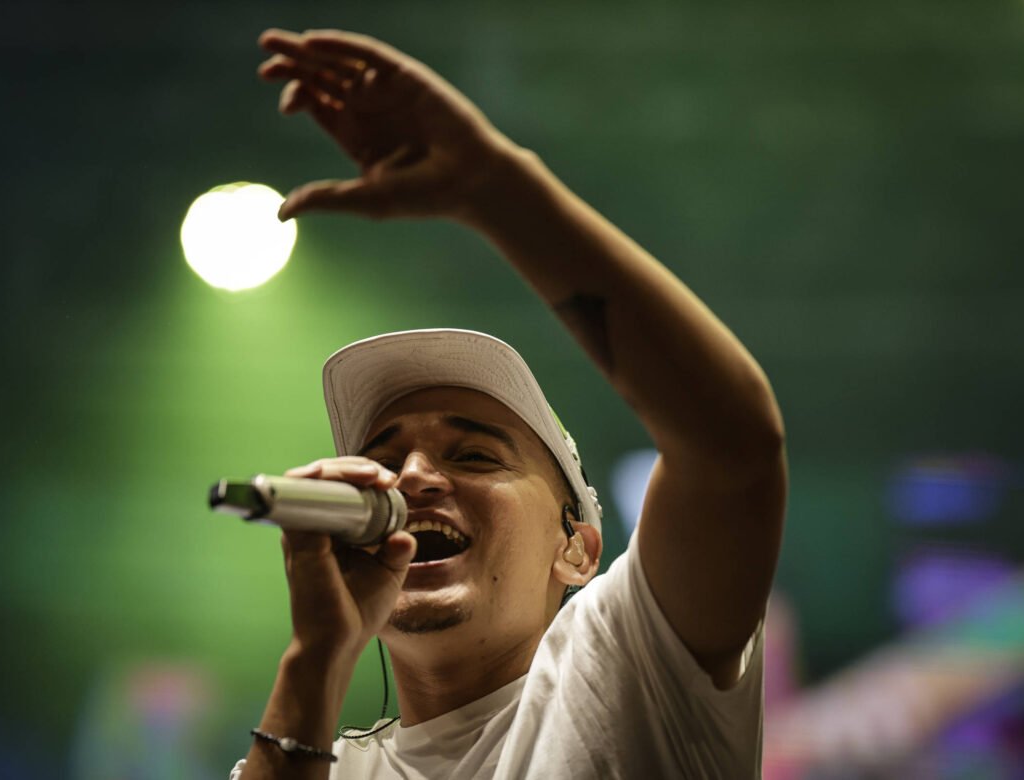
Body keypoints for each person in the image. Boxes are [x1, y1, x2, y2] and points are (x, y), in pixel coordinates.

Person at [231, 27, 787, 779]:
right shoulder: (320, 758)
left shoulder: (630, 669)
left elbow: (732, 448)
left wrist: (493, 189)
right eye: (383, 462)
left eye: (474, 455)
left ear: (576, 549)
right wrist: (318, 654)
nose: (412, 477)